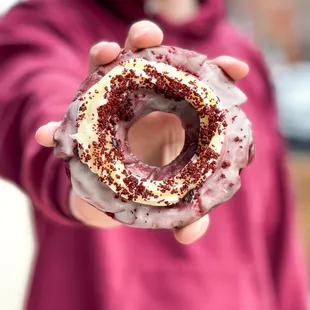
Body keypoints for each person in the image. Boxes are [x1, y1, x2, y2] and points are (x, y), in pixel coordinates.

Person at [0, 0, 308, 309]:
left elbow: (278, 236)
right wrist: (86, 183)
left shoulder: (245, 55)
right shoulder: (44, 25)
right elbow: (34, 104)